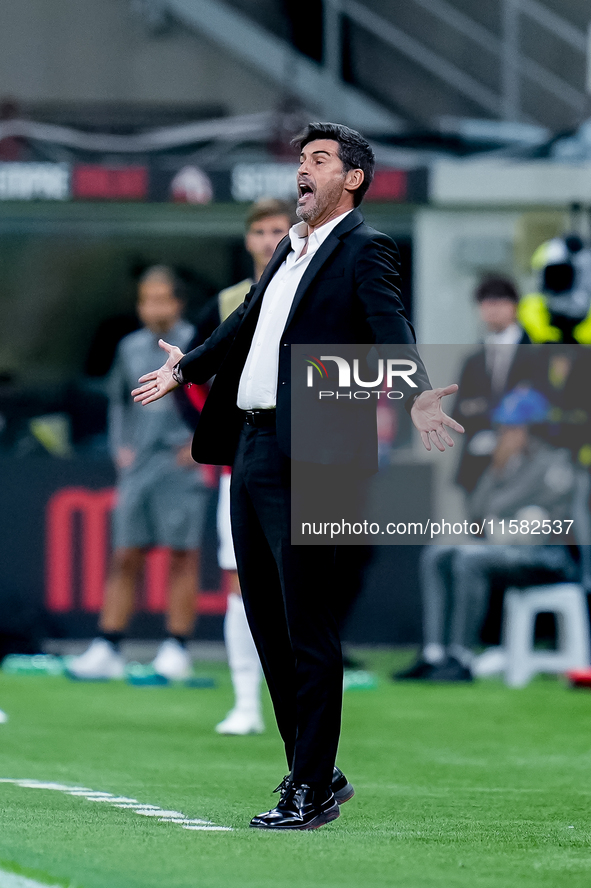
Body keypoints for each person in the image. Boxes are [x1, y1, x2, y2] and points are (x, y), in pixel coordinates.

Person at [132, 122, 462, 830]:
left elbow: (390, 326)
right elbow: (244, 323)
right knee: (266, 621)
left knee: (305, 624)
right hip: (252, 446)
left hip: (315, 449)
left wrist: (417, 392)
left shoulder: (365, 248)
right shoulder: (290, 245)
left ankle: (308, 791)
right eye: (300, 160)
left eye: (318, 161)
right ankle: (313, 771)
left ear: (353, 179)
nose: (301, 171)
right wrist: (185, 367)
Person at [68, 266, 206, 682]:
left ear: (178, 302)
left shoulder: (200, 343)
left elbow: (219, 396)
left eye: (162, 299)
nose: (153, 308)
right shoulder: (128, 347)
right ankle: (109, 645)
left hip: (182, 465)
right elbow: (117, 402)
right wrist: (121, 448)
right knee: (125, 554)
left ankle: (176, 649)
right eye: (146, 300)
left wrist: (198, 447)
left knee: (182, 557)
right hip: (138, 465)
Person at [188, 198, 293, 735]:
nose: (270, 236)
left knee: (299, 580)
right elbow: (192, 366)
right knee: (240, 578)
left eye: (279, 227)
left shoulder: (311, 287)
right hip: (243, 452)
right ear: (248, 239)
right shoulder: (229, 301)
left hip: (298, 453)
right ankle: (246, 700)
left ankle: (300, 703)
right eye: (260, 230)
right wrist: (214, 429)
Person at [397, 386, 578, 683]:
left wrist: (502, 476)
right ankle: (434, 654)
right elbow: (479, 508)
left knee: (469, 560)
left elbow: (514, 510)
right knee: (437, 554)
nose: (504, 433)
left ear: (533, 429)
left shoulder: (555, 463)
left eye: (511, 427)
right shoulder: (507, 462)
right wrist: (496, 468)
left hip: (548, 557)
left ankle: (461, 656)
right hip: (508, 547)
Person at [454, 275, 535, 494]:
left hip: (525, 461)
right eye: (485, 303)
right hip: (477, 463)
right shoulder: (473, 360)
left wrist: (482, 407)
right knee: (478, 523)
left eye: (499, 302)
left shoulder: (536, 353)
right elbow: (458, 411)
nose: (492, 309)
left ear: (514, 306)